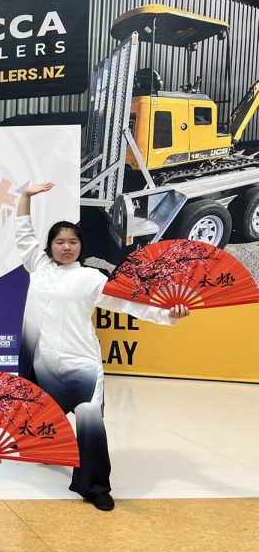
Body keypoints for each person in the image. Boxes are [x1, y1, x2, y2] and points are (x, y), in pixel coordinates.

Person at [17, 182, 190, 511]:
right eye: (59, 242)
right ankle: (47, 450)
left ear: (81, 246)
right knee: (39, 414)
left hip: (81, 364)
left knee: (90, 424)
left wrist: (169, 314)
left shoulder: (92, 279)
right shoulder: (38, 268)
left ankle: (96, 487)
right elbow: (23, 233)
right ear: (50, 246)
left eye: (73, 242)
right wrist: (25, 197)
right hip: (40, 362)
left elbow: (130, 304)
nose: (66, 247)